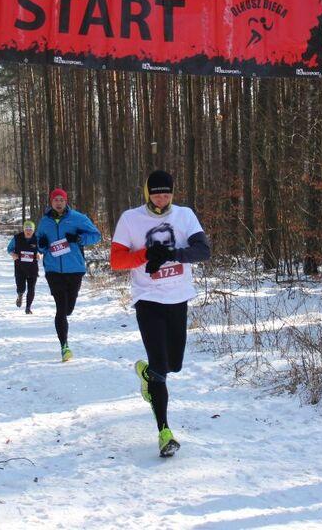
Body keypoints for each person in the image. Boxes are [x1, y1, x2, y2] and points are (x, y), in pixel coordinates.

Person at [110, 170, 211, 457]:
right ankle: (164, 432)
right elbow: (116, 260)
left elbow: (203, 251)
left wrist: (170, 254)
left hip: (178, 299)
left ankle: (145, 373)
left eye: (166, 193)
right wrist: (145, 255)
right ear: (147, 193)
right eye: (156, 193)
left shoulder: (184, 215)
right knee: (160, 368)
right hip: (148, 299)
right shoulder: (131, 219)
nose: (161, 198)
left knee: (173, 365)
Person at [35, 188, 101, 362]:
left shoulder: (78, 218)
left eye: (61, 200)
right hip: (53, 270)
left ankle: (65, 319)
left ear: (66, 201)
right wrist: (41, 245)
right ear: (51, 202)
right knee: (61, 308)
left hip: (74, 269)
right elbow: (39, 244)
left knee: (68, 308)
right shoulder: (44, 222)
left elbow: (96, 236)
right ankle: (64, 346)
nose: (58, 203)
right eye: (55, 200)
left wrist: (79, 239)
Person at [7, 220, 39, 314]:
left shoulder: (37, 238)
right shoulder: (17, 238)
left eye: (31, 229)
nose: (28, 231)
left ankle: (28, 307)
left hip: (32, 267)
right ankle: (20, 294)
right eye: (27, 229)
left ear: (33, 230)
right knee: (21, 288)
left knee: (31, 288)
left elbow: (42, 249)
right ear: (24, 229)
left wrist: (40, 254)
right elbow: (9, 249)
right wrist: (13, 254)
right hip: (20, 267)